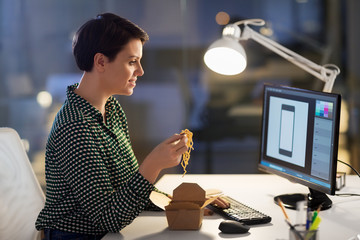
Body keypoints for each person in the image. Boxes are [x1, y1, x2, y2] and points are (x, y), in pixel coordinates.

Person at [35, 13, 190, 239]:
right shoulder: (74, 127)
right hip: (76, 235)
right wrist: (153, 165)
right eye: (131, 62)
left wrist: (182, 204)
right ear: (100, 62)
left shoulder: (113, 110)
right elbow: (110, 218)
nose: (140, 71)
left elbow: (127, 186)